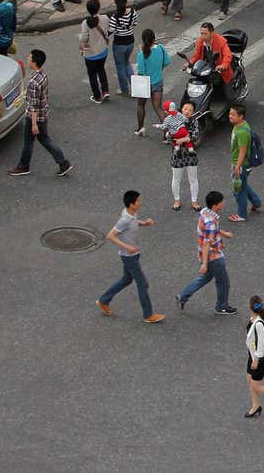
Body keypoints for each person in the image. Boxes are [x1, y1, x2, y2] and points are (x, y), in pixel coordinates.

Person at [97, 190, 165, 323]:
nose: (140, 203)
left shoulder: (130, 214)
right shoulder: (125, 219)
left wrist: (144, 223)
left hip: (133, 254)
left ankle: (103, 300)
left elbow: (133, 222)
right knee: (143, 284)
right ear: (131, 204)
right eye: (138, 201)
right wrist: (127, 247)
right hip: (129, 256)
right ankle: (148, 315)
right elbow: (110, 235)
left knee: (126, 280)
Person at [11, 49, 75, 178]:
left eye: (29, 57)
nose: (27, 59)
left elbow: (34, 105)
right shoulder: (42, 76)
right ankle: (63, 163)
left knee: (29, 143)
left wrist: (33, 124)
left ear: (34, 62)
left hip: (34, 117)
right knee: (44, 139)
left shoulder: (34, 81)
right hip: (43, 114)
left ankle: (23, 166)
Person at [177, 190, 236, 314]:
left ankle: (183, 296)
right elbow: (207, 243)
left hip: (207, 254)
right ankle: (222, 307)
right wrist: (204, 263)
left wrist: (224, 234)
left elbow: (212, 231)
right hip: (213, 256)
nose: (223, 203)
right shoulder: (211, 223)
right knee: (223, 282)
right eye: (221, 202)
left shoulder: (205, 212)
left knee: (206, 277)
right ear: (215, 205)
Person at [159, 100, 201, 211]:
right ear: (181, 109)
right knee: (176, 179)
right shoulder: (171, 118)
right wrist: (184, 138)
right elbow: (168, 136)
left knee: (193, 179)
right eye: (185, 109)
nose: (187, 112)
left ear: (193, 112)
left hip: (190, 155)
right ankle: (176, 200)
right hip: (177, 154)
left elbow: (195, 135)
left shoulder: (194, 121)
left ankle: (194, 201)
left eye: (190, 110)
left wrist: (181, 139)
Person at [133, 28, 169, 136]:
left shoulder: (141, 54)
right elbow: (167, 61)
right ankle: (167, 133)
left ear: (143, 40)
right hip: (158, 81)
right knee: (158, 108)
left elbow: (141, 72)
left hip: (145, 83)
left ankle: (140, 128)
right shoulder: (161, 48)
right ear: (154, 38)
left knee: (141, 105)